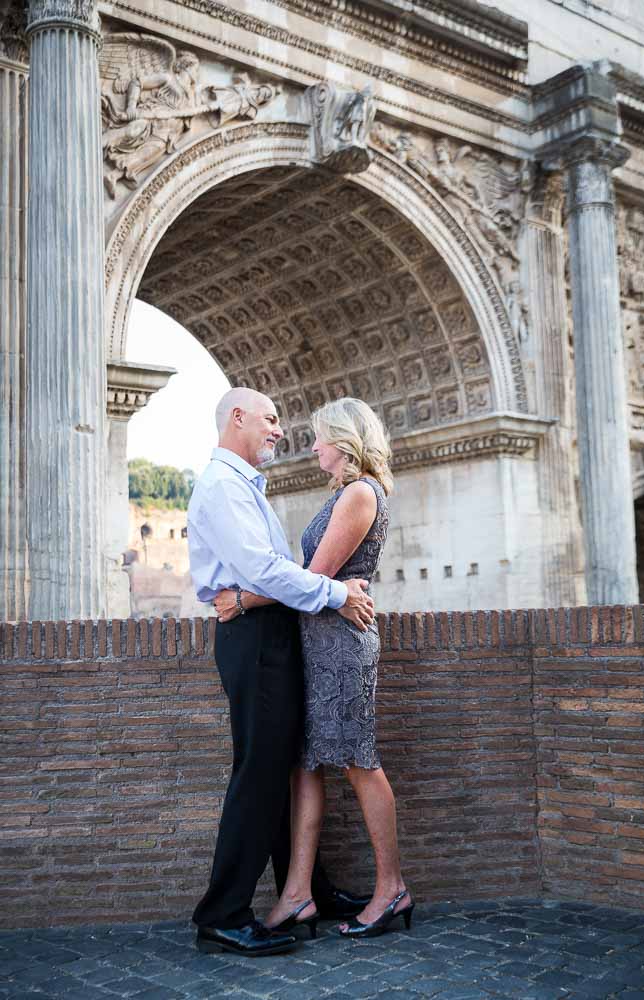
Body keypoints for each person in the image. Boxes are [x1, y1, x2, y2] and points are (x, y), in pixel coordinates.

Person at [214, 398, 412, 940]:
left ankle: (391, 888)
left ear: (345, 442)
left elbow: (312, 576)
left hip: (342, 647)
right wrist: (322, 591)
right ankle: (297, 894)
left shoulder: (358, 493)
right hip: (318, 643)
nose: (313, 445)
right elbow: (316, 580)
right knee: (307, 765)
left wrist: (240, 601)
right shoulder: (343, 493)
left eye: (321, 437)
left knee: (357, 760)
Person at [187, 387, 375, 957]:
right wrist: (335, 592)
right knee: (260, 773)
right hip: (253, 644)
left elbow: (269, 576)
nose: (278, 430)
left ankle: (306, 890)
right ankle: (222, 913)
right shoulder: (222, 486)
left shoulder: (243, 486)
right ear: (236, 418)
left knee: (282, 767)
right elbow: (266, 570)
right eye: (270, 419)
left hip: (264, 634)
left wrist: (255, 597)